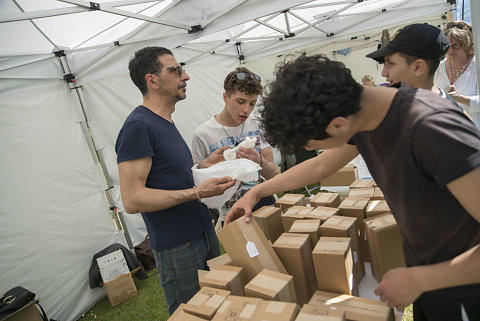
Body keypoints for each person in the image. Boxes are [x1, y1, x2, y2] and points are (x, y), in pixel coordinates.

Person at [225, 54, 480, 321]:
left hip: (464, 289)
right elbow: (320, 167)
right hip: (430, 277)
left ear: (338, 125)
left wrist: (421, 279)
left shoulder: (432, 129)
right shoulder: (364, 112)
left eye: (312, 145)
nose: (314, 151)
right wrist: (256, 192)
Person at [115, 46, 235, 315]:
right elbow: (132, 199)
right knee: (192, 314)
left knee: (218, 306)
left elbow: (169, 177)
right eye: (176, 70)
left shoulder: (164, 121)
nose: (186, 76)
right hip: (178, 247)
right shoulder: (138, 126)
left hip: (202, 231)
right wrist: (196, 193)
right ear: (153, 80)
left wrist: (204, 166)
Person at [191, 67, 277, 226]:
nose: (246, 110)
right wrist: (207, 166)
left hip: (262, 200)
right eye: (240, 102)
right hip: (230, 211)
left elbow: (272, 173)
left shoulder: (258, 123)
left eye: (252, 104)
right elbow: (197, 182)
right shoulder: (203, 134)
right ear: (225, 97)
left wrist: (258, 160)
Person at [366, 23, 459, 107]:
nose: (383, 73)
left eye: (390, 63)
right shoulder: (408, 107)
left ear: (418, 67)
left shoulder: (439, 119)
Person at [434, 21, 479, 127]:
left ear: (467, 44)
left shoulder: (477, 66)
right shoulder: (438, 68)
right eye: (447, 46)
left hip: (474, 131)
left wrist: (461, 99)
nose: (450, 50)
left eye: (456, 45)